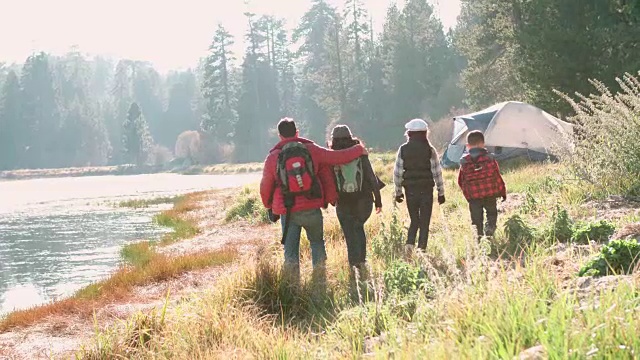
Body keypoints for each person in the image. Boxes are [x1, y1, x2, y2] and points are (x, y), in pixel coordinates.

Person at [260, 118, 366, 278]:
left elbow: (265, 186)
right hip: (312, 207)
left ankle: (293, 288)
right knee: (317, 244)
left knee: (290, 253)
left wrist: (269, 205)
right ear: (297, 132)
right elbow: (338, 157)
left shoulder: (273, 157)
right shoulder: (312, 150)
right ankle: (320, 281)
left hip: (287, 211)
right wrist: (359, 150)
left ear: (280, 136)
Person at [329, 125, 383, 271]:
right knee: (358, 228)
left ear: (333, 139)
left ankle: (354, 266)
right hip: (363, 200)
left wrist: (331, 200)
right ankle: (362, 262)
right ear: (350, 136)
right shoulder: (360, 152)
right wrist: (378, 200)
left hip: (343, 201)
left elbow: (329, 180)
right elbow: (371, 178)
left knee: (349, 234)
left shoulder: (331, 156)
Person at [393, 119, 446, 254]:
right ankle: (422, 249)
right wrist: (441, 192)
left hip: (410, 190)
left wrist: (398, 192)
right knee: (425, 221)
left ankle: (409, 244)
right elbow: (437, 172)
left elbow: (398, 173)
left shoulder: (403, 149)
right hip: (427, 189)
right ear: (425, 133)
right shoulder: (430, 149)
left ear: (409, 133)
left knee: (414, 219)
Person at [457, 130, 507, 238]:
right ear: (483, 144)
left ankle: (479, 238)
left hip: (474, 197)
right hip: (490, 194)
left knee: (476, 219)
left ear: (468, 146)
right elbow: (497, 176)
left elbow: (461, 181)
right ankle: (490, 228)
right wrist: (502, 191)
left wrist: (468, 195)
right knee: (492, 214)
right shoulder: (489, 158)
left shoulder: (464, 162)